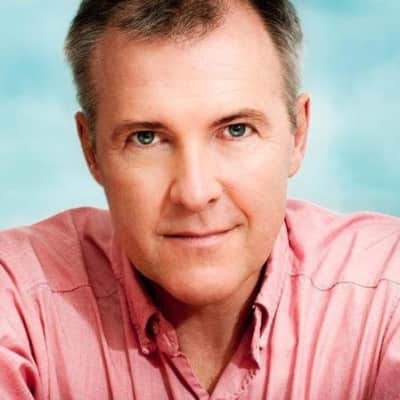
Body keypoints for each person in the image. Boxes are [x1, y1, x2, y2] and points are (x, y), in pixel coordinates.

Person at [0, 0, 399, 398]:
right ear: (91, 150)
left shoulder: (387, 292)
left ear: (298, 135)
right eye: (146, 138)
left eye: (237, 130)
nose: (194, 193)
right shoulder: (17, 299)